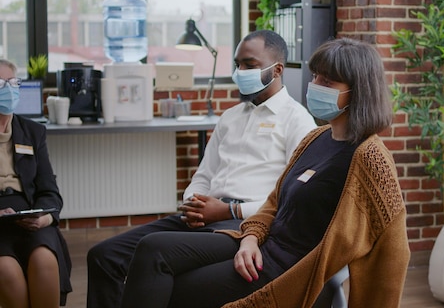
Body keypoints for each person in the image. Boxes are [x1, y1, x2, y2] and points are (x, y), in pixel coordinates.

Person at [119, 38, 410, 308]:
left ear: (357, 91)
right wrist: (249, 239)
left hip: (289, 269)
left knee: (175, 288)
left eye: (327, 81)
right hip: (262, 246)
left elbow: (391, 254)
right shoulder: (316, 139)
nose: (314, 85)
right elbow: (274, 203)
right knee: (151, 248)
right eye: (315, 76)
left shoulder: (369, 157)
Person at [86, 30, 317, 308]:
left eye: (249, 65)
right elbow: (204, 175)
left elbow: (290, 200)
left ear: (277, 69)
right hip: (206, 215)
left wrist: (229, 211)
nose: (240, 71)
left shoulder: (298, 122)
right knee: (103, 254)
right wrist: (193, 204)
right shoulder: (230, 118)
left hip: (243, 224)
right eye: (237, 64)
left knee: (154, 250)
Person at [0, 59, 72, 307]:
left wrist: (45, 218)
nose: (8, 90)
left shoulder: (33, 132)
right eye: (1, 84)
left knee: (44, 260)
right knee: (6, 270)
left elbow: (49, 191)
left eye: (13, 83)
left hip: (30, 215)